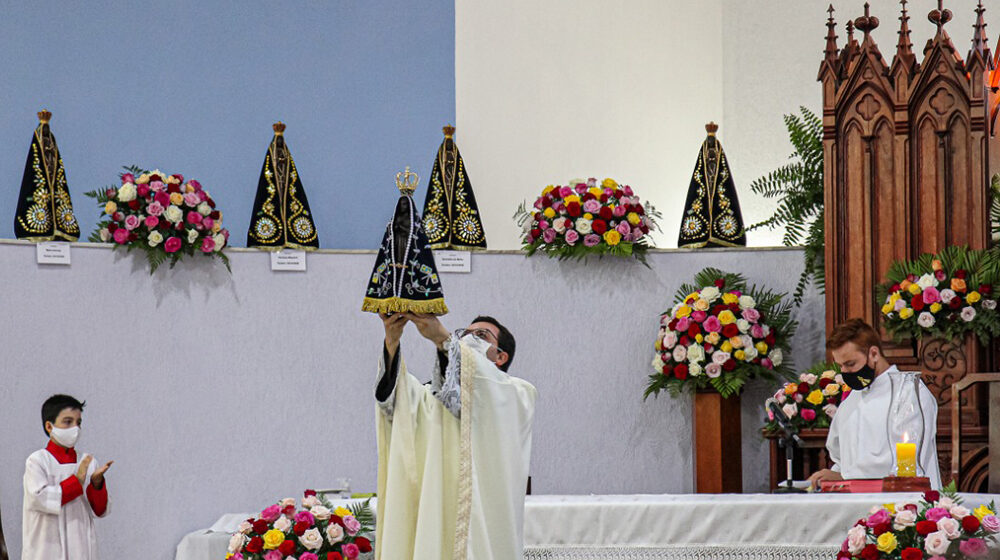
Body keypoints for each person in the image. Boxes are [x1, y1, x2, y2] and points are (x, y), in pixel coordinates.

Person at [374, 312, 536, 560]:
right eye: (464, 334)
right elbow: (394, 406)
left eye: (481, 336)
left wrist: (442, 338)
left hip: (477, 525)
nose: (467, 340)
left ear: (501, 356)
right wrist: (392, 341)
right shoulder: (430, 395)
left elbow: (480, 389)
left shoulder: (516, 393)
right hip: (434, 513)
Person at [807, 319, 941, 489]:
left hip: (904, 502)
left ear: (874, 354)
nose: (845, 372)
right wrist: (835, 476)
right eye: (841, 366)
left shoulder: (910, 393)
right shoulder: (850, 402)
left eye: (850, 364)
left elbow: (909, 466)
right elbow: (842, 460)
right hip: (857, 503)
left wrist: (845, 478)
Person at [22, 394, 112, 560]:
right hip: (46, 546)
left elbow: (99, 510)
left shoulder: (87, 461)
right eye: (67, 422)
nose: (75, 429)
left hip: (81, 545)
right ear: (49, 426)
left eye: (78, 423)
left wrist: (97, 484)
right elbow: (38, 498)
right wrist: (75, 482)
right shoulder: (38, 461)